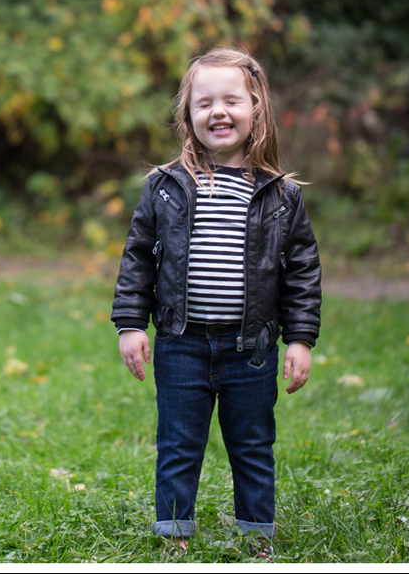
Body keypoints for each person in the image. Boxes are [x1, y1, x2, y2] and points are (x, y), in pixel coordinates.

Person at [111, 47, 321, 558]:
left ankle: (257, 538)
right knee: (178, 444)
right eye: (203, 103)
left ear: (256, 111)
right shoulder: (165, 187)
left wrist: (301, 338)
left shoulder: (280, 194)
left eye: (231, 100)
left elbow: (302, 273)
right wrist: (130, 324)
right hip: (181, 343)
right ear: (187, 115)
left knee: (252, 445)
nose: (218, 112)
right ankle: (175, 536)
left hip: (250, 349)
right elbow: (138, 257)